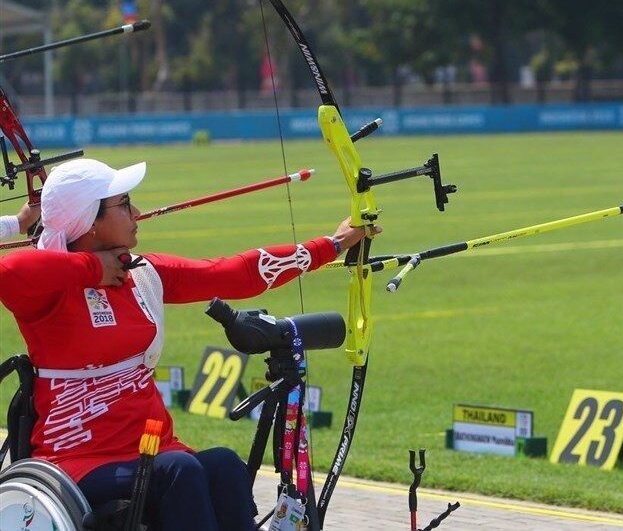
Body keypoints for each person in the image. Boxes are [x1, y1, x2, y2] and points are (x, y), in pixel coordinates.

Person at [0, 158, 377, 531]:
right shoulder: (48, 290)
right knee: (179, 471)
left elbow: (232, 272)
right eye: (124, 204)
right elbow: (7, 272)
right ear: (90, 222)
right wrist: (92, 268)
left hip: (151, 447)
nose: (137, 212)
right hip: (78, 459)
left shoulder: (141, 273)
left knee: (225, 466)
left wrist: (333, 244)